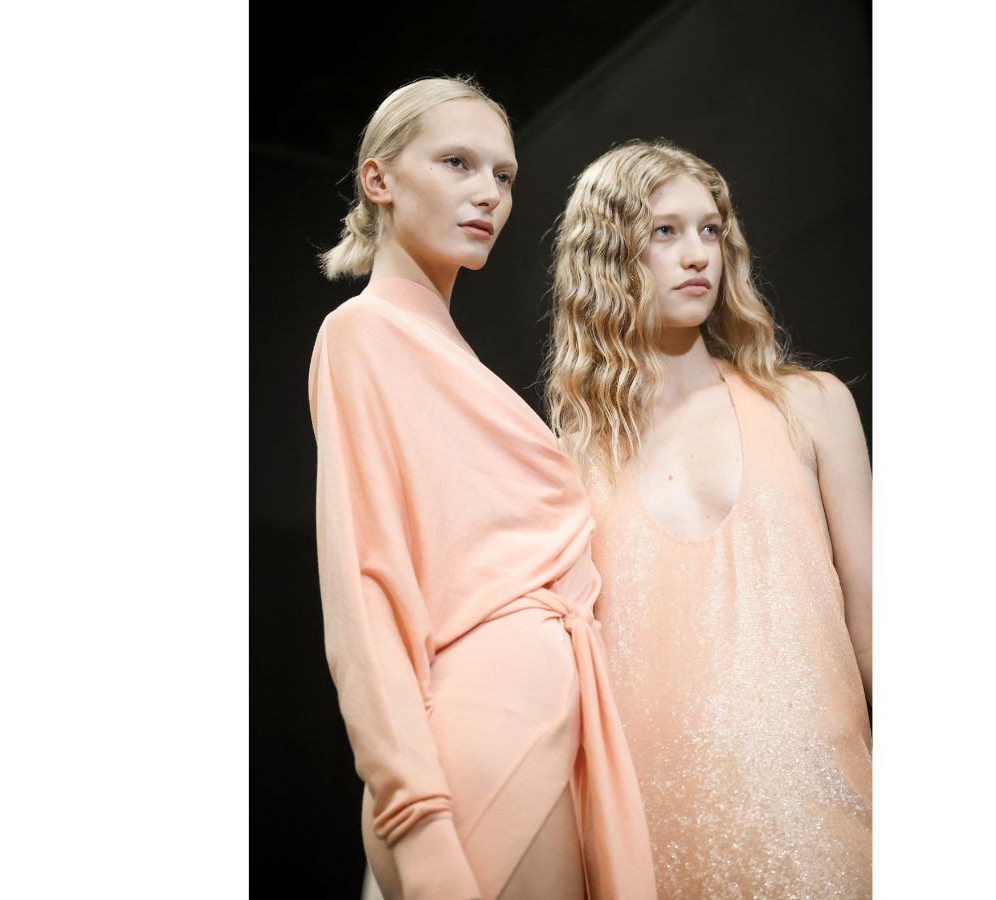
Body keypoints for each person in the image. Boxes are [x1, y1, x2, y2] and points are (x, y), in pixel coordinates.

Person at [308, 78, 656, 900]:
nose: (488, 194)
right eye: (457, 163)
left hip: (544, 712)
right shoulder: (363, 333)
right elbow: (363, 588)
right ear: (379, 179)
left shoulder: (446, 351)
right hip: (488, 726)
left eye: (504, 175)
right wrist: (413, 810)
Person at [545, 140, 872, 898]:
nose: (697, 254)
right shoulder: (566, 466)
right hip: (653, 844)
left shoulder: (811, 407)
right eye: (664, 232)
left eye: (710, 229)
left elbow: (875, 632)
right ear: (606, 255)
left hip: (824, 824)